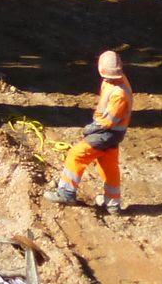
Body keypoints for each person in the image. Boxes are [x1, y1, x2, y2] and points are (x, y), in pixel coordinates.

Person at [49, 50, 134, 214]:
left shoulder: (120, 93)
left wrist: (92, 128)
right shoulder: (111, 82)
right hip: (111, 133)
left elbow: (109, 121)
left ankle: (66, 192)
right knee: (109, 166)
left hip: (107, 133)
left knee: (77, 154)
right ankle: (112, 204)